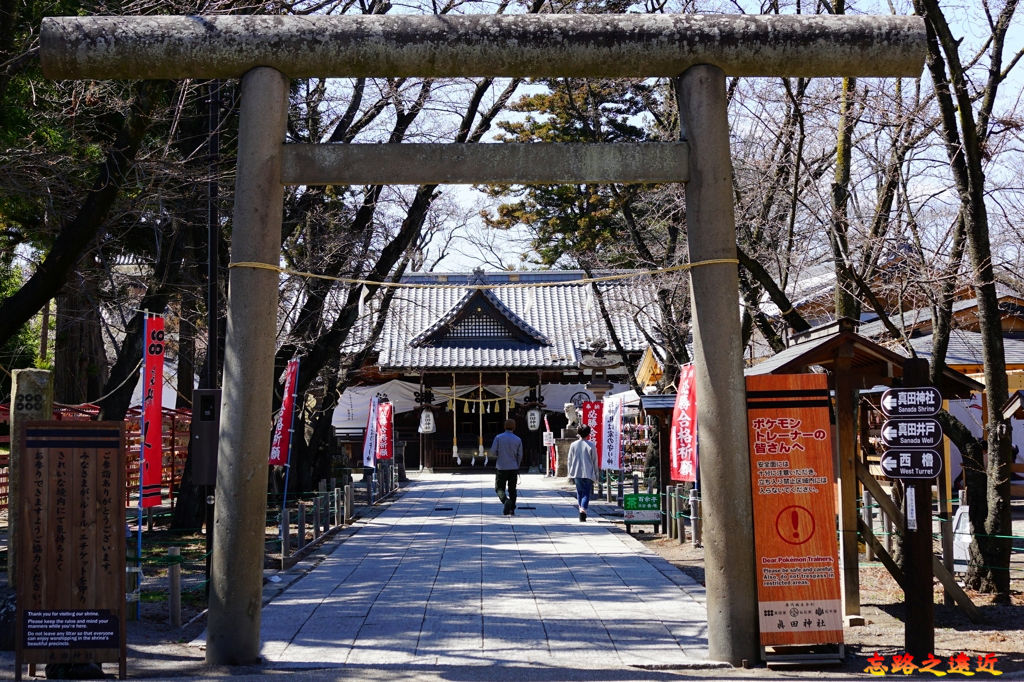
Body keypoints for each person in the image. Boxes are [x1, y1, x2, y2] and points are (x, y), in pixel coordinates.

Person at [490, 418, 523, 515]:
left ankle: (505, 501)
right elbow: (520, 455)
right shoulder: (518, 439)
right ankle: (512, 508)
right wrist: (518, 465)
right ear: (514, 427)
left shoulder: (498, 437)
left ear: (504, 426)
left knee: (499, 488)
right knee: (512, 489)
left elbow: (492, 451)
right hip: (513, 467)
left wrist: (499, 454)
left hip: (501, 466)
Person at [567, 424, 598, 522]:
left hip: (576, 471)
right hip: (588, 472)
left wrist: (570, 472)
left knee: (579, 492)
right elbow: (595, 461)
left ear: (578, 432)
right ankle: (583, 510)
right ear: (588, 433)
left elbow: (569, 460)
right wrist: (596, 474)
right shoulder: (591, 445)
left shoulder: (573, 445)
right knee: (586, 493)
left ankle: (581, 511)